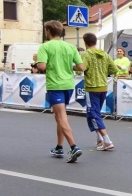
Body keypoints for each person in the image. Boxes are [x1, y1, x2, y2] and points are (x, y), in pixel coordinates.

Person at [36, 20, 85, 163]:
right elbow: (81, 67)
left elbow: (42, 66)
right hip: (68, 85)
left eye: (45, 30)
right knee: (59, 116)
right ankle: (59, 147)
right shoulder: (70, 46)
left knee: (61, 116)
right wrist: (67, 67)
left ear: (48, 31)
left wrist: (46, 64)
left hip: (55, 85)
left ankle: (74, 147)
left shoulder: (45, 46)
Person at [81, 32, 119, 151]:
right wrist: (103, 72)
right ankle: (99, 139)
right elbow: (114, 69)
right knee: (92, 114)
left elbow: (81, 69)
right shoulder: (104, 54)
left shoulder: (86, 54)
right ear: (95, 41)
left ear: (85, 42)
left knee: (94, 114)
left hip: (92, 87)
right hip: (103, 87)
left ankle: (107, 140)